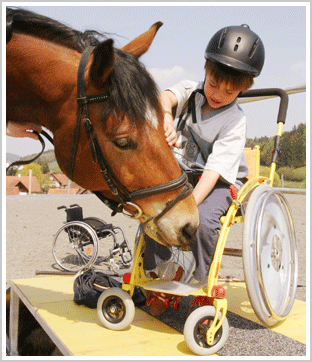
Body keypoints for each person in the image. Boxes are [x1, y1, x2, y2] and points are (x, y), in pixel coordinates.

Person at [143, 24, 265, 314]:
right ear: (206, 71)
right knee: (151, 212)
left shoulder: (235, 120)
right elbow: (164, 98)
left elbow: (212, 171)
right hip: (185, 176)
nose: (218, 93)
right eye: (213, 83)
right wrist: (166, 118)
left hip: (219, 182)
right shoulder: (191, 90)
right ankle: (163, 272)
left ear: (244, 88)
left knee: (203, 222)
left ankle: (202, 280)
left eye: (230, 89)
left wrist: (187, 206)